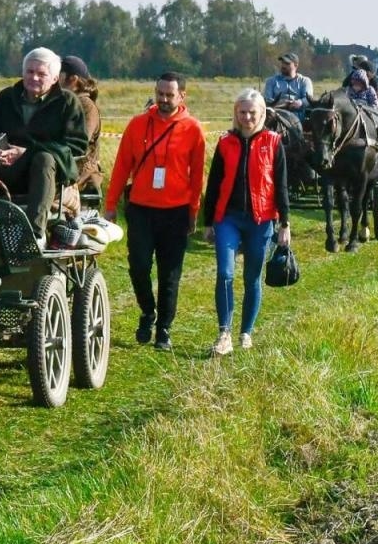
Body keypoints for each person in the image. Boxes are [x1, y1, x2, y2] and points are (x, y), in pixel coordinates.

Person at [104, 71, 208, 352]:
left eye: (169, 95)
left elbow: (197, 176)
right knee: (138, 266)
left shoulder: (193, 129)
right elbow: (121, 167)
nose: (163, 99)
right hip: (140, 209)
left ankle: (164, 328)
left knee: (169, 274)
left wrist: (194, 211)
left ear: (182, 96)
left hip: (175, 211)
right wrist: (110, 205)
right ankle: (147, 311)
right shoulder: (138, 125)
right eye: (160, 93)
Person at [201, 88, 290, 357]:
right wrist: (208, 222)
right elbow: (214, 183)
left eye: (252, 112)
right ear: (235, 113)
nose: (247, 117)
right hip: (228, 218)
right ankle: (224, 333)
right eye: (242, 112)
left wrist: (285, 224)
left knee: (252, 277)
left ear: (262, 113)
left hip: (261, 220)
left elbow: (282, 186)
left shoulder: (274, 142)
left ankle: (246, 332)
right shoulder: (225, 142)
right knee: (225, 274)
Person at [0, 47, 89, 239]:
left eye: (41, 74)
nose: (34, 78)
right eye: (30, 72)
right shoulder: (6, 98)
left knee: (44, 159)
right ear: (22, 72)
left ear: (55, 79)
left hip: (50, 176)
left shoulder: (67, 103)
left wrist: (27, 152)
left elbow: (76, 147)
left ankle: (34, 234)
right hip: (8, 170)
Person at [59, 55, 103, 204]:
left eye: (59, 73)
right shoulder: (62, 101)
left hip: (82, 181)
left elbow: (79, 142)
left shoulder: (86, 106)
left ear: (73, 79)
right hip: (67, 175)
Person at [263, 53, 315, 124]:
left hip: (297, 116)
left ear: (296, 65)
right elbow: (267, 99)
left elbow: (308, 99)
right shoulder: (271, 81)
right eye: (282, 63)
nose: (283, 66)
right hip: (276, 114)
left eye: (287, 63)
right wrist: (284, 103)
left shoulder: (304, 81)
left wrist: (299, 102)